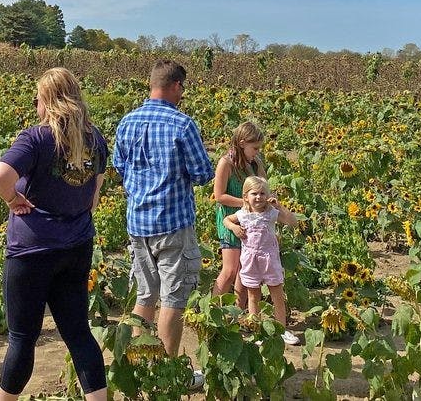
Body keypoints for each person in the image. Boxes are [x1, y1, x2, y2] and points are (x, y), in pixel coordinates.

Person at [0, 67, 108, 401]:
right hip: (77, 246)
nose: (36, 107)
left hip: (33, 250)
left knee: (22, 339)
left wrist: (12, 199)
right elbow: (94, 196)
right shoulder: (95, 139)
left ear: (48, 101)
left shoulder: (37, 138)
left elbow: (0, 176)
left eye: (37, 100)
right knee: (79, 334)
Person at [113, 59, 215, 368]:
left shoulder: (127, 122)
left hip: (138, 222)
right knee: (174, 297)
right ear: (175, 85)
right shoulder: (182, 124)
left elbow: (119, 166)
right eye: (182, 88)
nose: (182, 94)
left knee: (145, 294)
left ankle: (141, 363)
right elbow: (202, 173)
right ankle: (167, 370)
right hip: (173, 223)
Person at [223, 175, 303, 346]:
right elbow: (226, 220)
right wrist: (234, 228)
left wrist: (279, 206)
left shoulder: (271, 213)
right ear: (246, 196)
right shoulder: (243, 214)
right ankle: (257, 330)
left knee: (277, 294)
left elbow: (293, 222)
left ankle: (281, 330)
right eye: (254, 194)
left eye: (262, 193)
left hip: (269, 260)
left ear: (267, 195)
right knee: (253, 296)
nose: (258, 197)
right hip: (250, 260)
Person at [212, 121, 267, 308]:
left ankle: (238, 314)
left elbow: (263, 186)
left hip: (250, 221)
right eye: (255, 148)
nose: (257, 152)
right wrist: (245, 203)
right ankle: (212, 312)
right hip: (230, 220)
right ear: (242, 143)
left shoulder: (255, 163)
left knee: (245, 271)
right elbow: (219, 196)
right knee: (230, 270)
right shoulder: (226, 163)